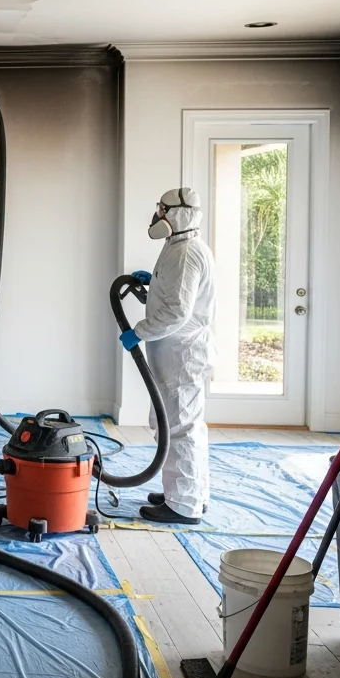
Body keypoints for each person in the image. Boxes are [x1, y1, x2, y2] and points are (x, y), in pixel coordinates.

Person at [119, 187, 215, 524]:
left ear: (176, 212)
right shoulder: (177, 247)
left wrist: (139, 331)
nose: (157, 214)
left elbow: (177, 313)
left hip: (181, 353)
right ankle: (187, 492)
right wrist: (154, 285)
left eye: (162, 208)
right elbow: (173, 295)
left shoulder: (186, 253)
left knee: (179, 427)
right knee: (178, 424)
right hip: (175, 353)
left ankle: (183, 505)